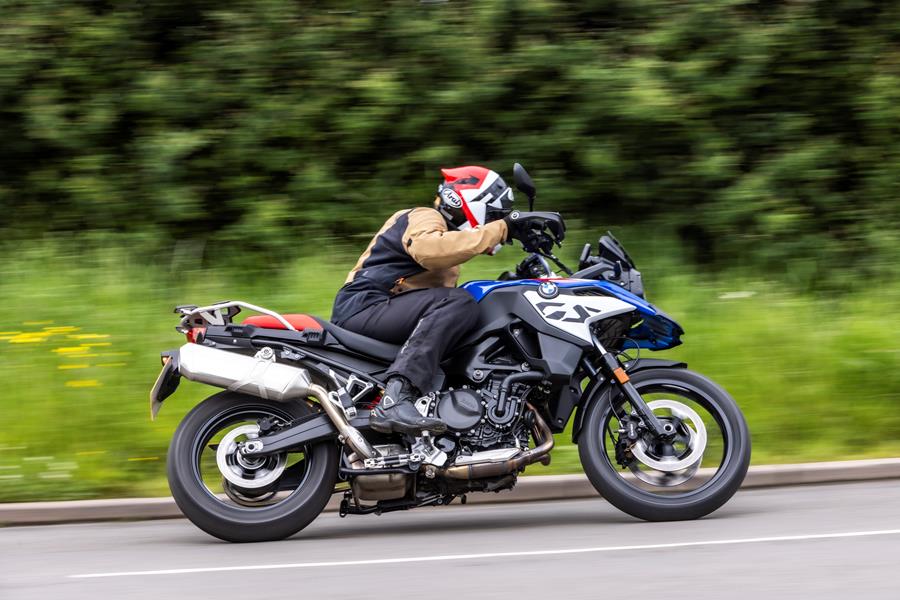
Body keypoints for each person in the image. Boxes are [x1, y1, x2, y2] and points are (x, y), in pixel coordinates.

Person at [331, 166, 548, 435]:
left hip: (382, 310)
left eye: (498, 219)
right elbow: (430, 251)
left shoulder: (448, 250)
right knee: (460, 302)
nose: (494, 222)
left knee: (469, 314)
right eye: (493, 215)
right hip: (364, 305)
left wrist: (516, 279)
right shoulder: (424, 217)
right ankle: (395, 399)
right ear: (470, 202)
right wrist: (503, 228)